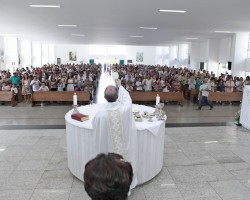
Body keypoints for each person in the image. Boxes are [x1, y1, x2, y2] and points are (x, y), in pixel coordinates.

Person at [92, 79, 138, 190]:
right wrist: (120, 85)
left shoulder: (100, 115)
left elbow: (94, 126)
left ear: (104, 97)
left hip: (108, 153)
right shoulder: (125, 109)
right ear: (117, 96)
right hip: (122, 153)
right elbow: (127, 98)